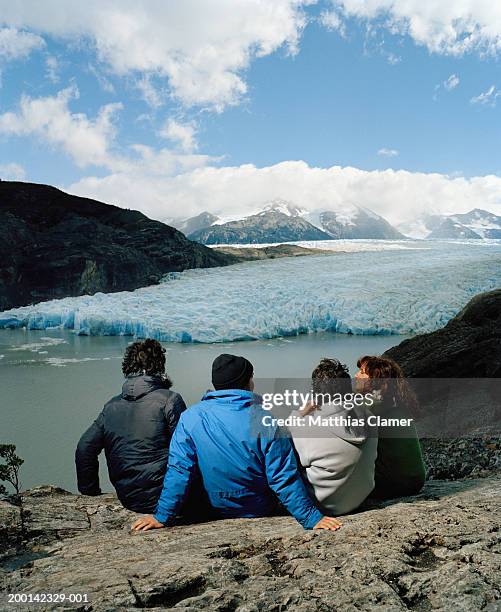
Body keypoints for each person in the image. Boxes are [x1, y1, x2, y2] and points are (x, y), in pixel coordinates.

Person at [132, 354, 342, 532]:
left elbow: (179, 470)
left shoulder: (191, 417)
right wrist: (311, 518)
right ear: (247, 381)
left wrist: (162, 516)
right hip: (258, 508)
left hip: (213, 507)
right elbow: (282, 477)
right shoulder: (267, 420)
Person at [75, 339, 186, 513]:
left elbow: (84, 448)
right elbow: (185, 452)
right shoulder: (170, 400)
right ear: (160, 365)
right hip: (165, 499)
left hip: (128, 499)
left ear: (127, 367)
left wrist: (91, 492)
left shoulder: (111, 406)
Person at [288, 358, 378, 515]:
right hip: (360, 497)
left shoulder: (308, 427)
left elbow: (284, 434)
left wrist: (300, 413)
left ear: (316, 393)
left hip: (326, 504)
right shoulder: (368, 416)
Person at [355, 355, 426, 499]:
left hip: (392, 484)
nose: (356, 375)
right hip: (416, 480)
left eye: (362, 372)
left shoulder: (373, 404)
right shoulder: (396, 400)